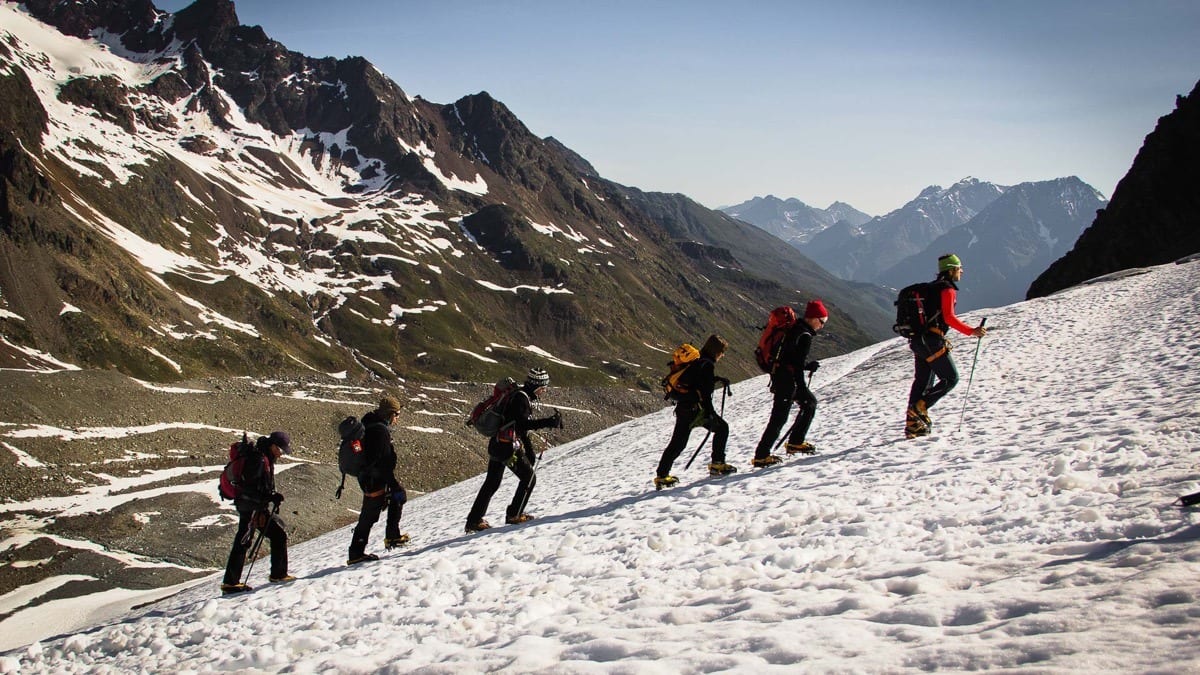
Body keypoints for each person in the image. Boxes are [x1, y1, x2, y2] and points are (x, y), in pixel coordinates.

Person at [465, 367, 562, 532]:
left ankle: (474, 521)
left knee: (492, 483)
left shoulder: (518, 395)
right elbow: (521, 424)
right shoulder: (521, 399)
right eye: (544, 386)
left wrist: (530, 450)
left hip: (497, 444)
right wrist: (548, 422)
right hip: (506, 448)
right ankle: (514, 514)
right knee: (529, 479)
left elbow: (516, 425)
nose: (545, 390)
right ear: (537, 386)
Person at [905, 253, 988, 438]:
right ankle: (920, 409)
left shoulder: (929, 289)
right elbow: (949, 317)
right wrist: (972, 331)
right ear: (951, 270)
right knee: (950, 378)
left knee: (922, 381)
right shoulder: (947, 289)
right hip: (932, 341)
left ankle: (913, 426)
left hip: (919, 341)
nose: (961, 271)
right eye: (959, 268)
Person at [752, 300, 828, 465]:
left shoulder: (795, 329)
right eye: (822, 321)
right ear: (814, 318)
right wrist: (800, 387)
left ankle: (793, 442)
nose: (821, 326)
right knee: (782, 416)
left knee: (803, 407)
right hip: (787, 381)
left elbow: (790, 359)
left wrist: (807, 366)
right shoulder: (804, 335)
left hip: (781, 377)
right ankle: (763, 454)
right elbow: (796, 365)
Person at [654, 334, 735, 488]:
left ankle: (662, 475)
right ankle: (718, 463)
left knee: (677, 444)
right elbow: (704, 393)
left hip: (684, 408)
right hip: (696, 410)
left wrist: (716, 379)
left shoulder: (698, 359)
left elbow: (696, 381)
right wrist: (710, 412)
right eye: (722, 353)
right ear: (717, 352)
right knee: (722, 428)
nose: (722, 356)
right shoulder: (707, 365)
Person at [221, 431, 292, 594]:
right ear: (273, 445)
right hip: (251, 506)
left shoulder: (263, 457)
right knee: (244, 540)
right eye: (280, 450)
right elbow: (250, 487)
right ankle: (231, 583)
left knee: (276, 535)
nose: (281, 454)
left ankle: (278, 574)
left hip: (255, 505)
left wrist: (270, 497)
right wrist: (270, 497)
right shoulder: (258, 459)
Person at [347, 395, 409, 564]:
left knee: (388, 502)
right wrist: (393, 484)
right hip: (374, 479)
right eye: (396, 414)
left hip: (367, 477)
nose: (397, 418)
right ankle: (356, 553)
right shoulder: (380, 431)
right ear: (390, 414)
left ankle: (392, 536)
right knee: (370, 515)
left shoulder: (368, 423)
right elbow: (383, 463)